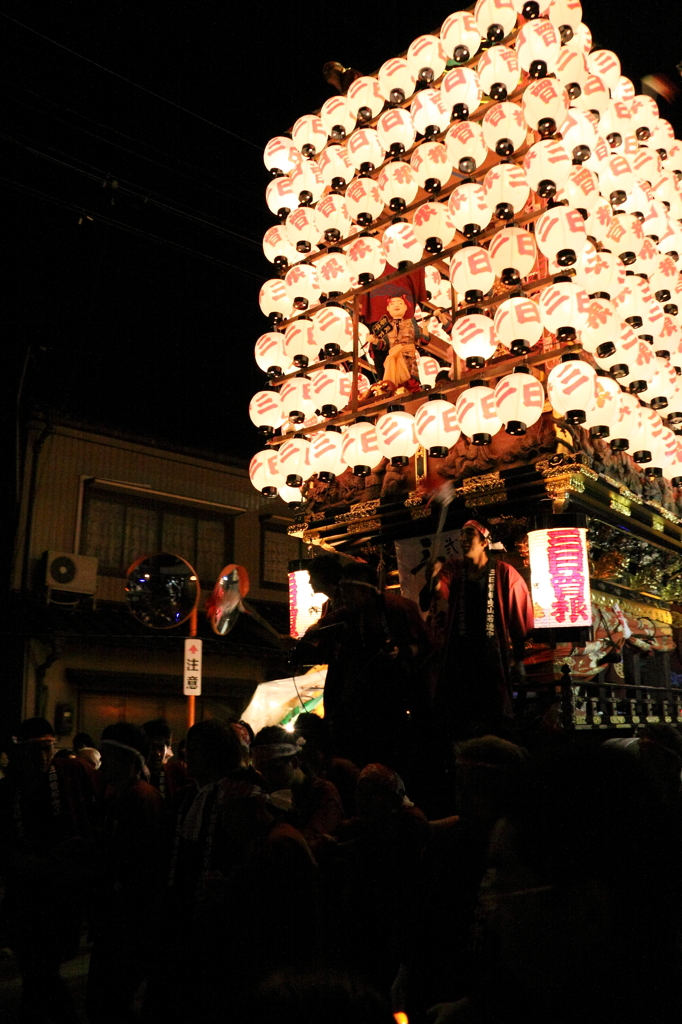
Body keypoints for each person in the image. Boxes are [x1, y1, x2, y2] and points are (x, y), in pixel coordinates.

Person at [0, 717, 92, 1024]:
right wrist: (26, 862)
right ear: (21, 751)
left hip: (62, 887)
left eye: (49, 748)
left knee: (45, 967)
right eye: (37, 749)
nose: (44, 756)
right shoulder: (8, 787)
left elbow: (93, 814)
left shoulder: (72, 771)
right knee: (35, 968)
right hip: (25, 889)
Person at [296, 562, 428, 771]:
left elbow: (426, 646)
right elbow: (325, 624)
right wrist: (312, 631)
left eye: (349, 590)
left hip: (397, 696)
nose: (344, 596)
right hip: (362, 699)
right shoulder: (351, 612)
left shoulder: (398, 608)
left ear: (365, 590)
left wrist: (401, 652)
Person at [87, 722, 164, 1024]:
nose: (103, 764)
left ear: (130, 760)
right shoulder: (118, 795)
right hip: (118, 919)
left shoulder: (142, 798)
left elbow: (140, 864)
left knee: (109, 1002)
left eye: (109, 757)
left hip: (128, 921)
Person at [434, 520, 533, 740]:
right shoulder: (454, 568)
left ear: (485, 541)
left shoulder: (504, 572)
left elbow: (519, 614)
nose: (463, 539)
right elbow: (440, 590)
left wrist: (519, 659)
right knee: (458, 715)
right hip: (458, 653)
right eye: (461, 535)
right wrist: (434, 577)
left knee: (493, 713)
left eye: (469, 534)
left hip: (491, 653)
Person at [251, 725, 344, 854]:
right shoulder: (268, 797)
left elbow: (304, 846)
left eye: (274, 768)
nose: (267, 777)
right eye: (262, 771)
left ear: (294, 762)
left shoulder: (323, 792)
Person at [142, 718, 189, 802]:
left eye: (161, 748)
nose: (157, 754)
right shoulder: (133, 778)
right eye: (152, 747)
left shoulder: (175, 772)